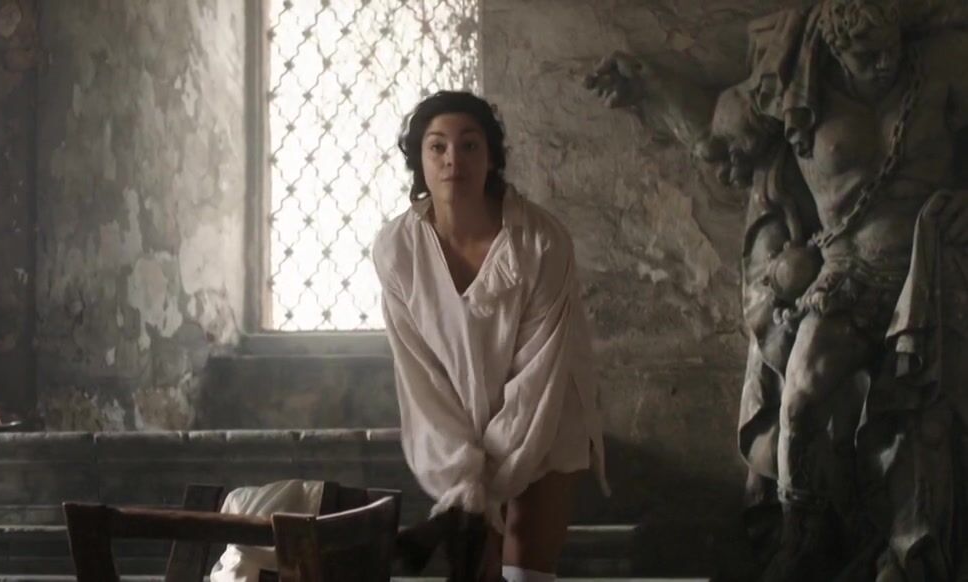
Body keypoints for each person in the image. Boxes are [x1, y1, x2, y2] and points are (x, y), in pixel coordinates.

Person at [584, 0, 968, 578]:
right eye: (865, 56)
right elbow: (717, 132)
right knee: (801, 396)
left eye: (888, 50)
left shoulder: (947, 64)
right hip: (850, 274)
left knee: (931, 416)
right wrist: (650, 85)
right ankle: (802, 531)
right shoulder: (795, 87)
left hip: (934, 271)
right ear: (835, 50)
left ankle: (914, 549)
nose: (882, 65)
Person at [372, 91, 609, 582]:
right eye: (437, 146)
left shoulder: (539, 242)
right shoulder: (397, 250)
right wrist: (463, 476)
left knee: (524, 569)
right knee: (477, 567)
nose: (453, 159)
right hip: (460, 421)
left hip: (545, 415)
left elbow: (538, 371)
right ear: (419, 160)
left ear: (492, 157)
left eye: (469, 145)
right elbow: (421, 378)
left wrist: (489, 479)